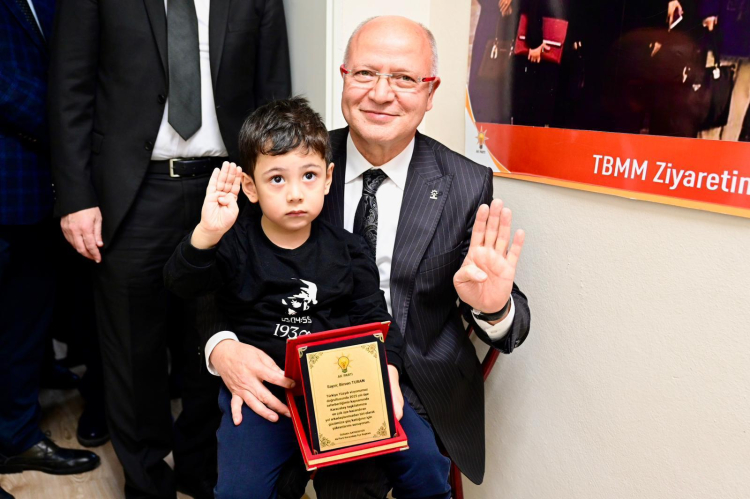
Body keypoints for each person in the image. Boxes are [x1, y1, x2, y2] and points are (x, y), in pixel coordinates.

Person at [206, 16, 532, 497]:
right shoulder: (291, 161)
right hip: (292, 374)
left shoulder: (465, 182)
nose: (381, 93)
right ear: (344, 78)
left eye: (403, 78)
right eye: (365, 73)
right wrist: (222, 347)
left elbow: (513, 323)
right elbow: (218, 277)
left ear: (430, 91)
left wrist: (491, 307)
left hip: (413, 380)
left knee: (378, 479)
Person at [47, 1, 291, 497]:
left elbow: (272, 92)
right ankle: (146, 482)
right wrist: (75, 197)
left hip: (226, 187)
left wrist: (274, 193)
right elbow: (69, 89)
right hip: (132, 192)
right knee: (132, 351)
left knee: (215, 340)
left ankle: (202, 470)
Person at [164, 97, 459, 499]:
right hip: (264, 396)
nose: (295, 194)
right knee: (239, 489)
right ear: (250, 187)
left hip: (345, 389)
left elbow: (376, 318)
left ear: (327, 178)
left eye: (308, 176)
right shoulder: (233, 244)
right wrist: (207, 234)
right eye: (276, 179)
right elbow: (182, 283)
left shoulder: (349, 250)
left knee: (424, 461)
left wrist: (387, 370)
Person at [0, 0, 100, 484]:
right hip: (9, 174)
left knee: (27, 317)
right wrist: (73, 121)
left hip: (36, 189)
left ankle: (16, 432)